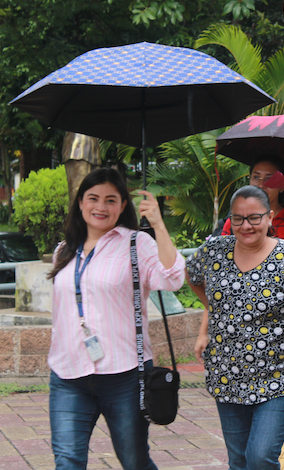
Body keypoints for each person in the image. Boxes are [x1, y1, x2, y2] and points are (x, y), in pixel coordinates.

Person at [47, 168, 185, 470]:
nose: (100, 207)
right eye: (93, 198)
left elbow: (173, 278)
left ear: (123, 205)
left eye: (111, 200)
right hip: (68, 375)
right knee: (67, 461)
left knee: (133, 460)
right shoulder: (64, 251)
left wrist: (158, 225)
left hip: (125, 375)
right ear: (80, 202)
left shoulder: (137, 244)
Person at [186, 185, 284, 470]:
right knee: (238, 461)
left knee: (260, 457)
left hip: (281, 377)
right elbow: (192, 274)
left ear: (269, 217)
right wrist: (214, 308)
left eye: (254, 218)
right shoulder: (216, 251)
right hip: (228, 377)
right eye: (238, 218)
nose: (245, 225)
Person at [219, 156, 284, 468]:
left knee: (261, 453)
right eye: (255, 175)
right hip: (236, 364)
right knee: (240, 459)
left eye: (268, 176)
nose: (261, 181)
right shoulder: (233, 226)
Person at [220, 156, 284, 271]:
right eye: (256, 177)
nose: (261, 184)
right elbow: (221, 267)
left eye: (269, 178)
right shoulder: (235, 222)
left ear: (282, 186)